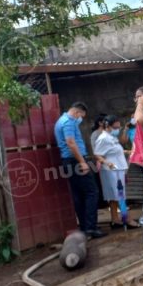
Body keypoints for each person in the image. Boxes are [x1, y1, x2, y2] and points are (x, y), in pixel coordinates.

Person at [54, 101, 104, 239]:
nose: (80, 119)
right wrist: (82, 162)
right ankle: (91, 228)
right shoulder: (68, 122)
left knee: (79, 194)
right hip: (76, 161)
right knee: (92, 192)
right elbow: (70, 142)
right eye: (80, 115)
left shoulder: (62, 120)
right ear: (76, 112)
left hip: (68, 161)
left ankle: (85, 226)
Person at [94, 115, 139, 229]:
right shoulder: (103, 138)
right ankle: (126, 219)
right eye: (115, 127)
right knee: (120, 195)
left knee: (114, 196)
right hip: (112, 170)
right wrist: (106, 162)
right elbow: (97, 154)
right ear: (108, 126)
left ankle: (115, 219)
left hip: (117, 169)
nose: (117, 129)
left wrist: (124, 151)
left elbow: (112, 150)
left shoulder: (110, 137)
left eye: (118, 127)